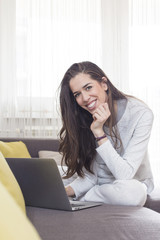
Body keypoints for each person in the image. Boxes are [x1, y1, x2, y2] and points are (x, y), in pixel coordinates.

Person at [59, 61, 154, 206]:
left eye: (88, 87)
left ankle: (84, 198)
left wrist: (99, 132)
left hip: (127, 184)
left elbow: (125, 175)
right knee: (50, 176)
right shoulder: (83, 116)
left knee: (134, 193)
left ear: (104, 83)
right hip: (96, 182)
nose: (85, 98)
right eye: (77, 94)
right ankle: (76, 195)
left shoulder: (141, 114)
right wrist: (64, 191)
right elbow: (90, 175)